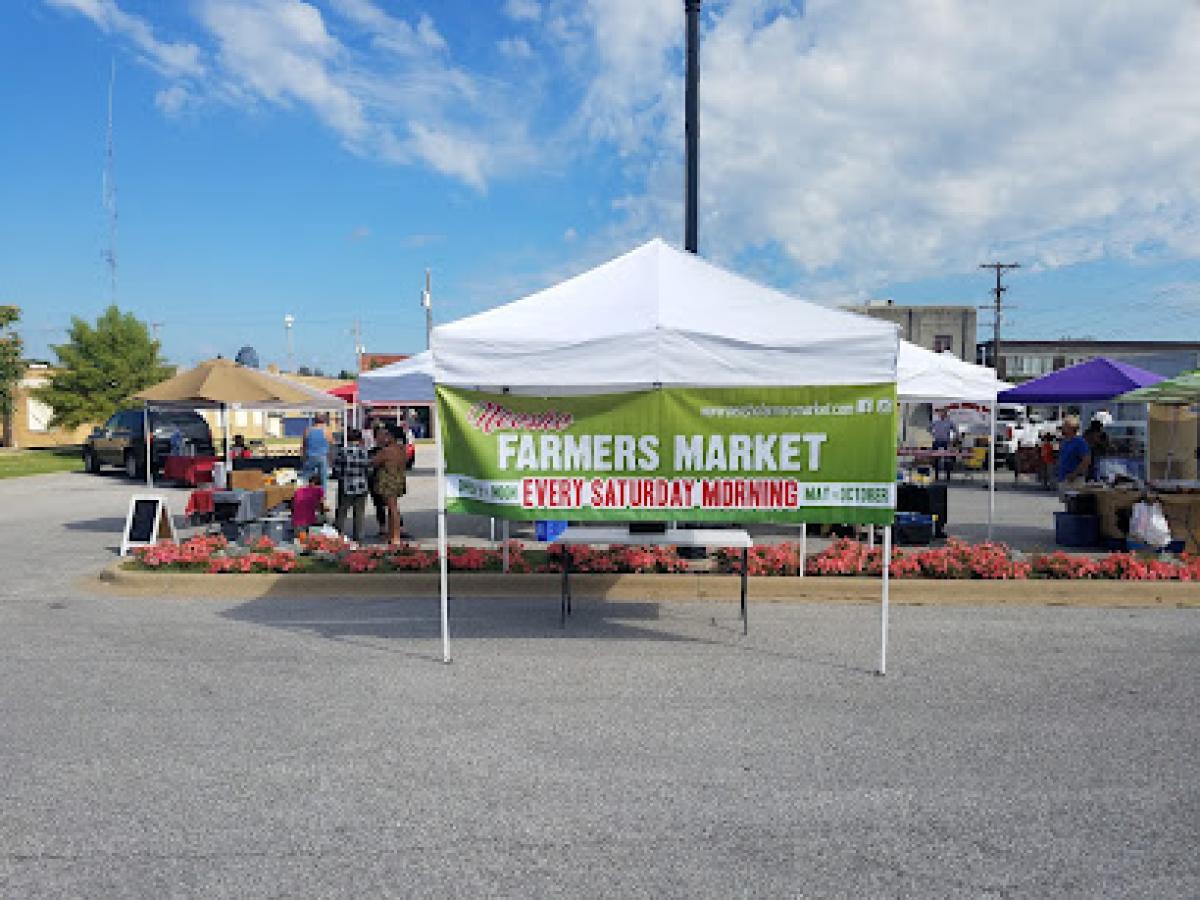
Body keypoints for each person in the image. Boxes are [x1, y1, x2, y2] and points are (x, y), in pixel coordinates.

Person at [370, 426, 409, 545]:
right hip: (398, 479)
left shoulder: (387, 451)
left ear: (393, 437)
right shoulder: (402, 450)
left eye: (387, 435)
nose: (385, 437)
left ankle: (395, 536)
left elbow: (374, 462)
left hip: (388, 481)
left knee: (392, 509)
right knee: (393, 508)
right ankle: (392, 534)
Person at [333, 428, 370, 543]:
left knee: (342, 512)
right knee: (359, 513)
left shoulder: (342, 451)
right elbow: (368, 468)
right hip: (361, 485)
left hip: (346, 485)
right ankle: (358, 536)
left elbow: (337, 469)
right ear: (359, 439)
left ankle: (338, 534)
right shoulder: (364, 452)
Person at [301, 414, 333, 502]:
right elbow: (330, 446)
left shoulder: (307, 430)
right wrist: (331, 460)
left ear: (314, 420)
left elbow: (304, 446)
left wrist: (303, 457)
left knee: (306, 477)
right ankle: (322, 498)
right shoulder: (327, 431)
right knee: (323, 479)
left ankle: (304, 495)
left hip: (310, 456)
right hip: (322, 456)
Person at [1057, 416, 1091, 490]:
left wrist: (1075, 474)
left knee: (1074, 500)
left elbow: (1086, 460)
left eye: (1064, 426)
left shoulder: (1080, 442)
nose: (1062, 428)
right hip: (1063, 478)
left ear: (1071, 428)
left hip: (1074, 480)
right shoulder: (1064, 441)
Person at [929, 409, 958, 481]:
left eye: (942, 413)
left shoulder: (949, 422)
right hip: (937, 441)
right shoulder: (936, 422)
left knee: (947, 459)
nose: (941, 415)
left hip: (945, 442)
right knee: (936, 459)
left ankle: (948, 476)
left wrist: (953, 439)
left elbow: (955, 431)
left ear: (945, 414)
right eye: (940, 413)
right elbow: (929, 428)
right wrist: (933, 434)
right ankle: (936, 476)